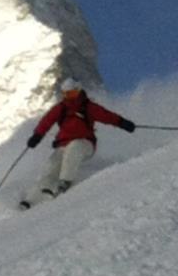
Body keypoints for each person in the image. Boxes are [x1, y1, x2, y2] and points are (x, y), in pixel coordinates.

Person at [19, 78, 136, 209]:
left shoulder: (88, 107)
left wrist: (123, 123)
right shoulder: (61, 108)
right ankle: (34, 198)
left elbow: (107, 116)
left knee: (74, 147)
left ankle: (65, 182)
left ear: (79, 91)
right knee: (52, 164)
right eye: (66, 94)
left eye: (72, 94)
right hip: (63, 145)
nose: (69, 98)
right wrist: (37, 136)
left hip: (85, 144)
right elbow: (46, 121)